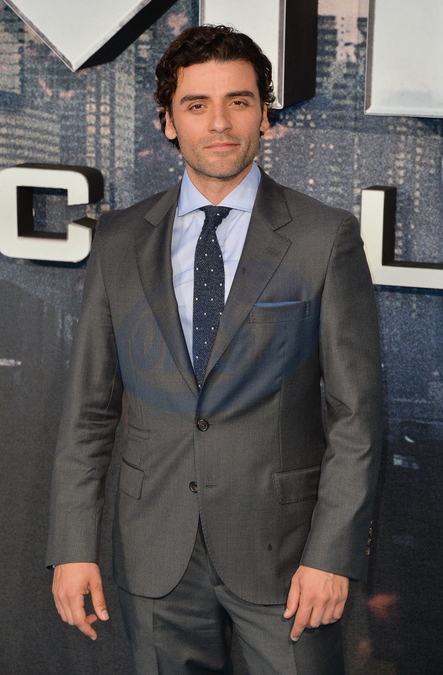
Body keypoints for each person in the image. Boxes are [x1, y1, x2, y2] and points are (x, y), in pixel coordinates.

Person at [47, 24, 383, 674]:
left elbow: (358, 417)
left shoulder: (325, 238)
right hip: (155, 548)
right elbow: (88, 410)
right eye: (197, 104)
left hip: (287, 557)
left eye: (239, 101)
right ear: (169, 122)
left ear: (265, 115)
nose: (220, 123)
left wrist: (332, 553)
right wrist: (72, 544)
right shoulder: (118, 240)